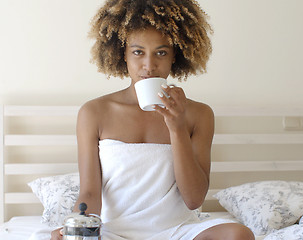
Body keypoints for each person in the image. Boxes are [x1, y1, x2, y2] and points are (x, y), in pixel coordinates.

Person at [51, 0, 254, 239]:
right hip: (116, 233)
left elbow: (194, 200)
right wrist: (77, 229)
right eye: (138, 52)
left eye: (161, 52)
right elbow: (89, 194)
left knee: (238, 234)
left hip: (177, 231)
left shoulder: (199, 115)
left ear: (174, 56)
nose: (149, 65)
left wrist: (176, 128)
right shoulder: (94, 112)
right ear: (122, 54)